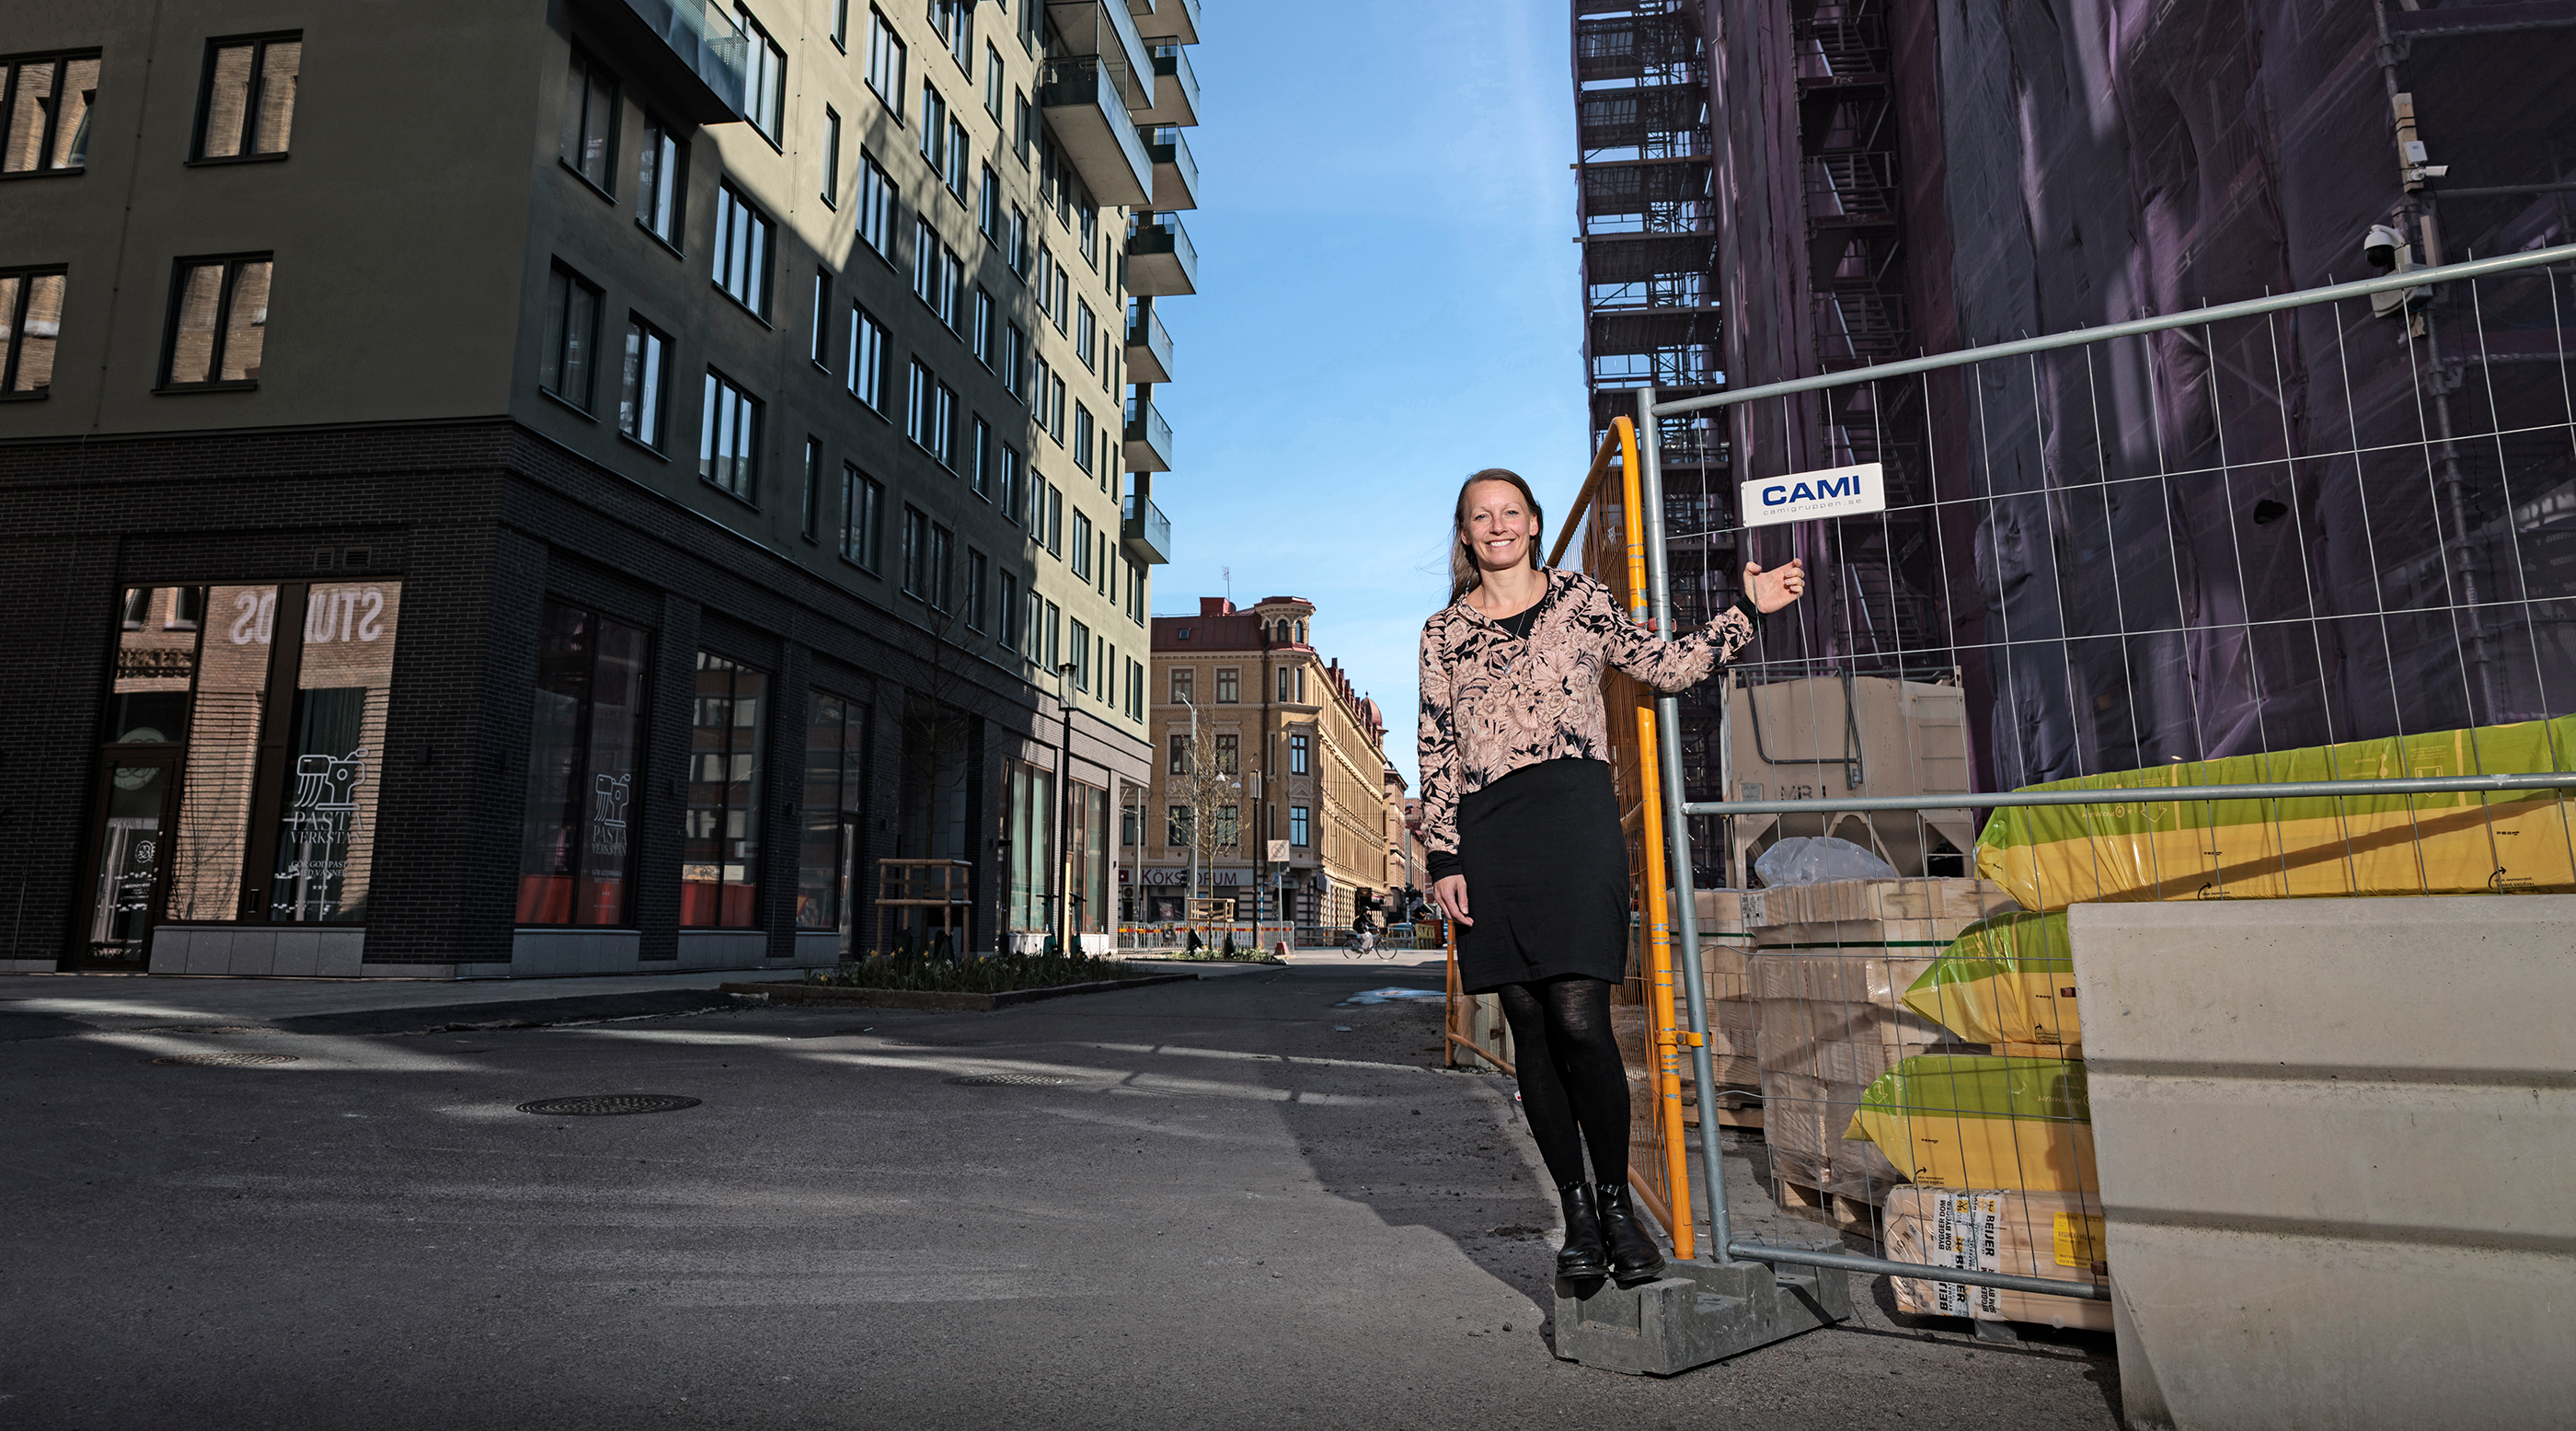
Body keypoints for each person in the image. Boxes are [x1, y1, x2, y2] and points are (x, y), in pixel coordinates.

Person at [1418, 467, 1803, 1287]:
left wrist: (1746, 613)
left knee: (1580, 1014)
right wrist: (1443, 856)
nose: (1497, 527)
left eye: (1509, 513)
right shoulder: (1441, 632)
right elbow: (1436, 749)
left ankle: (1618, 1204)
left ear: (1532, 521)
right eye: (1480, 517)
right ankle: (1578, 1217)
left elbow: (1663, 666)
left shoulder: (1582, 600)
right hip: (1491, 834)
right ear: (1464, 534)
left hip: (1574, 818)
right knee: (1528, 1022)